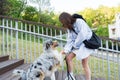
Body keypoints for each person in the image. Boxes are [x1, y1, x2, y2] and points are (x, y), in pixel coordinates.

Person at [59, 12, 94, 80]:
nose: (63, 24)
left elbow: (83, 35)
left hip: (86, 44)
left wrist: (74, 45)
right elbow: (70, 39)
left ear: (66, 19)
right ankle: (71, 76)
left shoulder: (79, 22)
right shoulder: (69, 27)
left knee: (84, 63)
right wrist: (66, 50)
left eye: (62, 22)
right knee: (68, 58)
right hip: (78, 45)